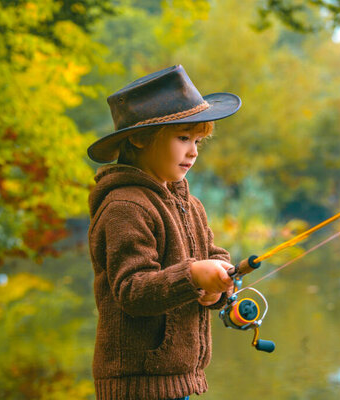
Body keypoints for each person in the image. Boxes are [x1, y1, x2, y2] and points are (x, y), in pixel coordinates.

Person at [87, 65, 242, 400]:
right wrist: (193, 276)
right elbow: (132, 289)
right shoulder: (125, 206)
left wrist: (216, 286)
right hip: (138, 385)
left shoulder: (192, 204)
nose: (194, 151)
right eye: (183, 138)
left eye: (199, 140)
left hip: (180, 379)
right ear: (141, 138)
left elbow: (212, 256)